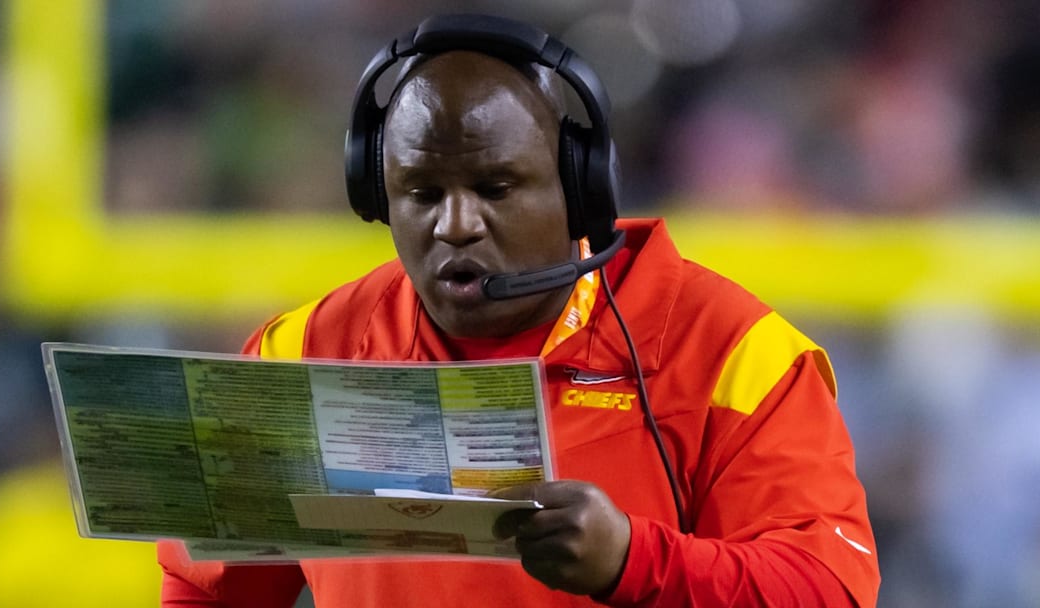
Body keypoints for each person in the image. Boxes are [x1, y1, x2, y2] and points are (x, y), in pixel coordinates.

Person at [158, 14, 880, 607]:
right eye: (421, 193)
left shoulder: (734, 355)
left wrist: (633, 560)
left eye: (495, 187)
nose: (455, 225)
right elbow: (206, 588)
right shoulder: (304, 349)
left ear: (580, 187)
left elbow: (831, 591)